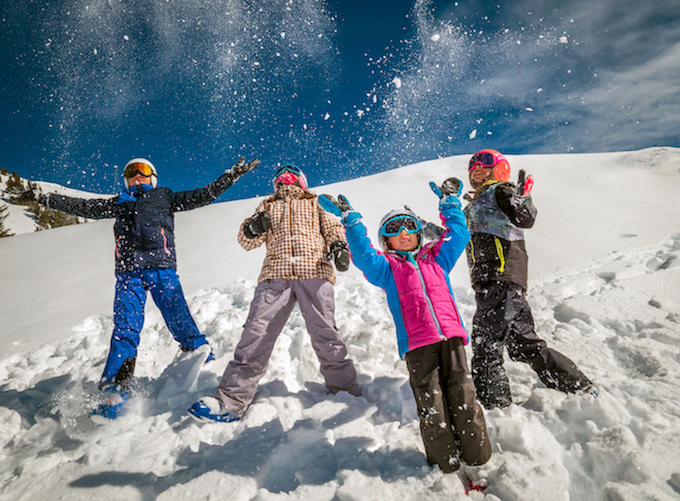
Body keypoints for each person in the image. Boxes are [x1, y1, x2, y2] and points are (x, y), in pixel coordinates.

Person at [23, 156, 260, 418]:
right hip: (128, 275)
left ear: (153, 177)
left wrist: (230, 176)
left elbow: (205, 195)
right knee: (125, 329)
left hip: (161, 269)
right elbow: (83, 206)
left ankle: (205, 366)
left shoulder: (164, 196)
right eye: (130, 172)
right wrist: (44, 198)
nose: (137, 175)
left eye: (143, 170)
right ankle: (115, 391)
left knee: (179, 320)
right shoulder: (119, 203)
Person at [318, 181, 492, 482]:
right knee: (432, 406)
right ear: (386, 240)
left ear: (418, 234)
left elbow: (459, 234)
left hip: (451, 339)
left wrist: (450, 203)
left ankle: (477, 461)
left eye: (409, 227)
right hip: (418, 346)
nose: (403, 233)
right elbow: (362, 257)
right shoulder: (387, 268)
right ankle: (445, 466)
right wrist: (352, 221)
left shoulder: (437, 257)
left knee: (464, 397)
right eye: (394, 229)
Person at [188, 164, 359, 423]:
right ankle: (230, 400)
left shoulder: (315, 203)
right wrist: (253, 227)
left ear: (303, 182)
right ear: (275, 184)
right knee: (256, 334)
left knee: (326, 334)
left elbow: (334, 228)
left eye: (292, 178)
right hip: (275, 276)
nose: (286, 183)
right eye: (281, 179)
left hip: (313, 270)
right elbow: (247, 242)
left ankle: (346, 393)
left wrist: (338, 246)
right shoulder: (267, 205)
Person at [463, 148, 595, 410]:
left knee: (485, 342)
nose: (477, 167)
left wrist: (522, 200)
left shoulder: (499, 190)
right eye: (473, 165)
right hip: (500, 282)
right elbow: (454, 235)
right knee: (523, 344)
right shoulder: (472, 206)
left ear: (499, 168)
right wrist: (425, 228)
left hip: (500, 276)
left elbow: (524, 217)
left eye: (485, 163)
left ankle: (493, 407)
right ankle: (578, 385)